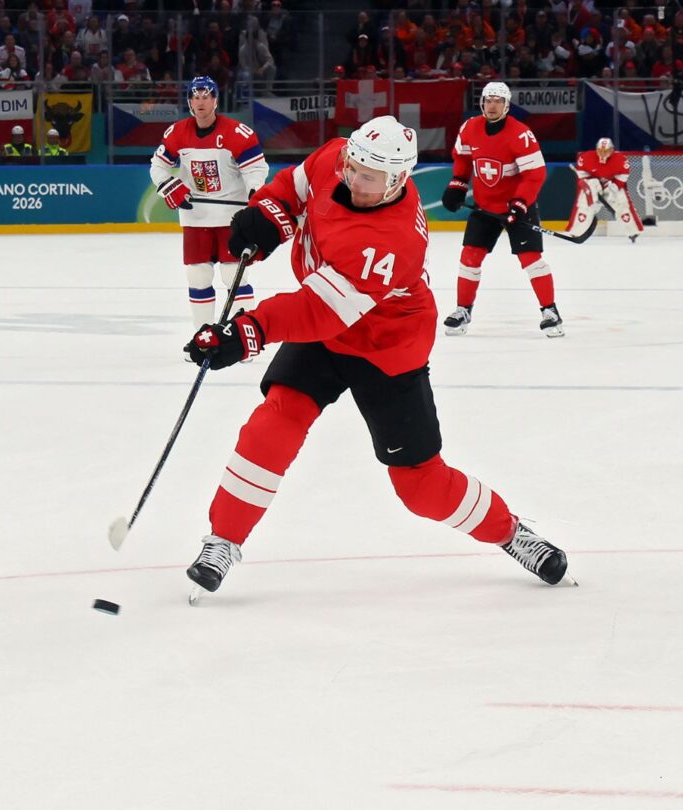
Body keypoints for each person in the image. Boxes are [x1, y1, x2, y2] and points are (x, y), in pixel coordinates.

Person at [179, 115, 570, 599]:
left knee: (420, 487)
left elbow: (319, 312)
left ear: (399, 182)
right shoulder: (339, 156)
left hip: (387, 346)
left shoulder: (392, 240)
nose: (353, 177)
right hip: (327, 327)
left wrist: (246, 332)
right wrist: (268, 216)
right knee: (274, 422)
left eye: (369, 176)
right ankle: (223, 540)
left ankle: (511, 532)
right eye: (353, 165)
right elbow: (292, 189)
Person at [439, 82, 560, 337]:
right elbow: (462, 158)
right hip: (485, 206)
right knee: (469, 258)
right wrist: (458, 184)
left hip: (517, 206)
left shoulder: (521, 134)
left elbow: (535, 174)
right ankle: (463, 310)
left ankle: (550, 312)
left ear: (507, 106)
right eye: (488, 100)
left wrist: (519, 204)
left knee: (531, 260)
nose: (492, 105)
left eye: (498, 101)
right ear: (482, 102)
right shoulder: (469, 127)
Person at [150, 75, 269, 328]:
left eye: (206, 96)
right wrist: (169, 186)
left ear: (215, 101)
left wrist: (254, 193)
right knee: (198, 275)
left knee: (234, 274)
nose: (201, 102)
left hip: (231, 217)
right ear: (190, 102)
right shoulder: (177, 133)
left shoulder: (238, 133)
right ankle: (202, 336)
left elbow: (256, 169)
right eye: (196, 97)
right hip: (195, 216)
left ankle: (240, 338)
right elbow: (157, 167)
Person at [567, 137, 643, 242]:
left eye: (605, 151)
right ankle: (576, 231)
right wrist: (590, 183)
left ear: (612, 150)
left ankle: (632, 231)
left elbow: (623, 175)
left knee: (622, 203)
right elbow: (582, 175)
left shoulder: (621, 159)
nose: (602, 153)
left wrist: (615, 186)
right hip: (593, 186)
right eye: (600, 150)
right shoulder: (586, 157)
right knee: (584, 204)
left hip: (611, 185)